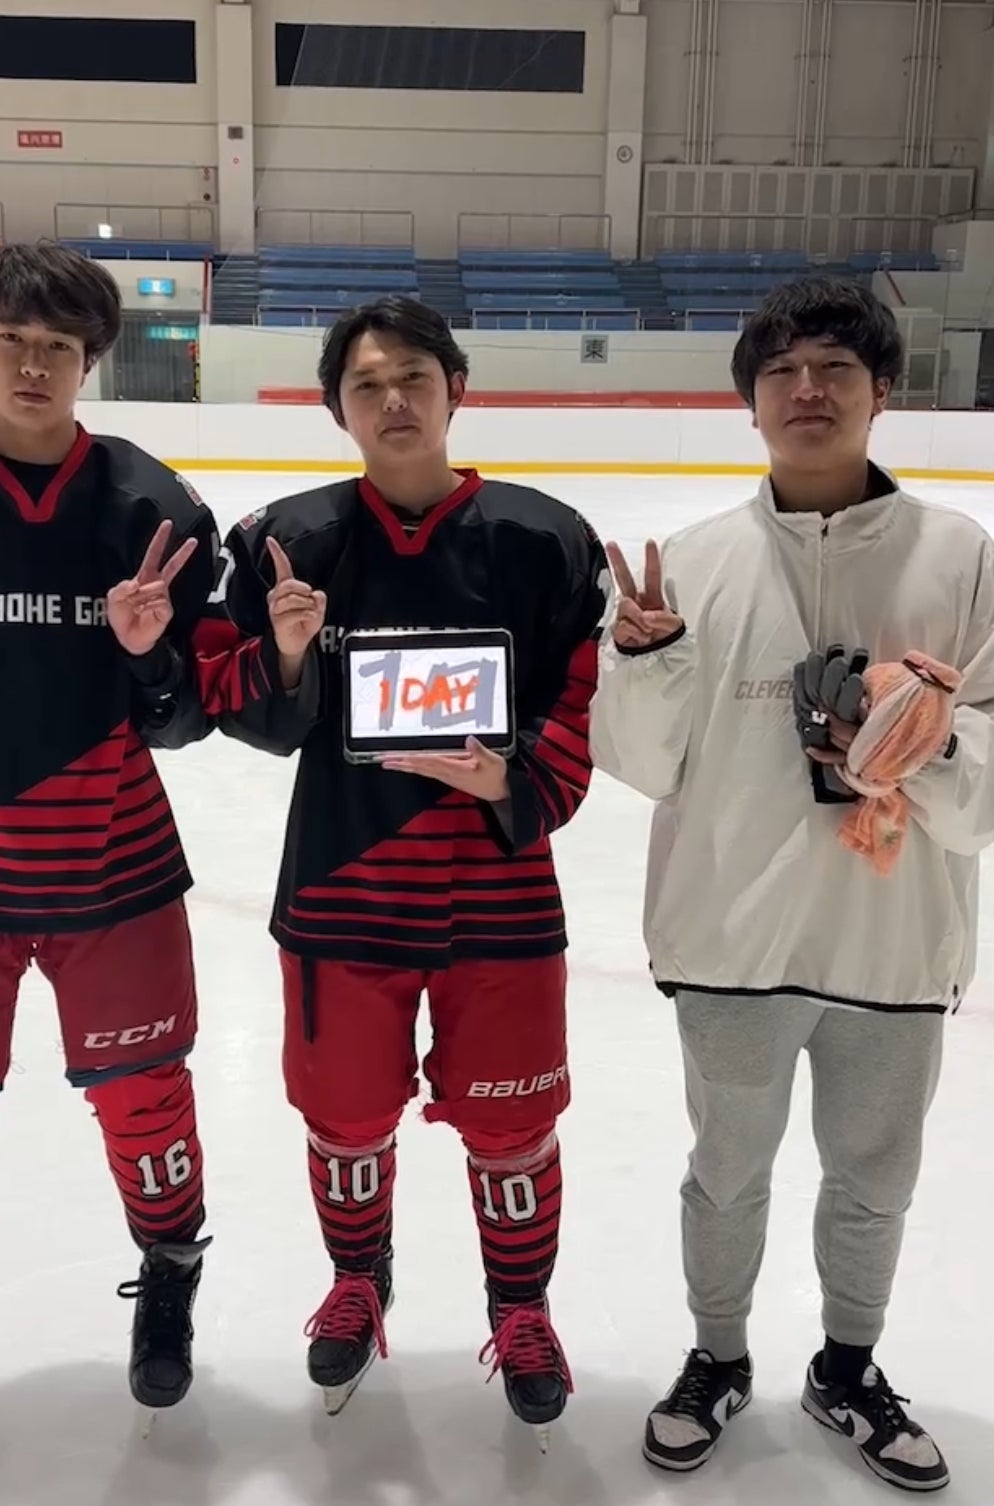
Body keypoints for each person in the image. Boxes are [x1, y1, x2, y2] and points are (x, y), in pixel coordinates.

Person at [0, 242, 310, 1445]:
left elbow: (186, 715)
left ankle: (169, 1282)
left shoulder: (154, 507)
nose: (33, 365)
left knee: (148, 1100)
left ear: (90, 360)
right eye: (12, 341)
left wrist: (148, 654)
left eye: (58, 346)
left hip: (113, 872)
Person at [142, 296, 606, 1435]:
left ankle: (522, 1309)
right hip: (341, 896)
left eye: (414, 379)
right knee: (345, 1117)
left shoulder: (547, 539)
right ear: (336, 407)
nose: (393, 401)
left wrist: (512, 782)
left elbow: (583, 705)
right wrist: (286, 656)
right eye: (366, 385)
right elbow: (226, 702)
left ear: (456, 390)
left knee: (513, 1127)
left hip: (500, 901)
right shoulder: (284, 541)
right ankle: (358, 1282)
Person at [590, 276, 994, 1492]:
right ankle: (717, 1358)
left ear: (884, 393)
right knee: (726, 1174)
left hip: (892, 941)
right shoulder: (692, 566)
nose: (806, 390)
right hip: (732, 940)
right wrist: (646, 664)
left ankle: (848, 1369)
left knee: (874, 1183)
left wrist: (923, 750)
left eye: (835, 369)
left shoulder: (963, 559)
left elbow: (984, 797)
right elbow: (643, 764)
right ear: (752, 403)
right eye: (781, 372)